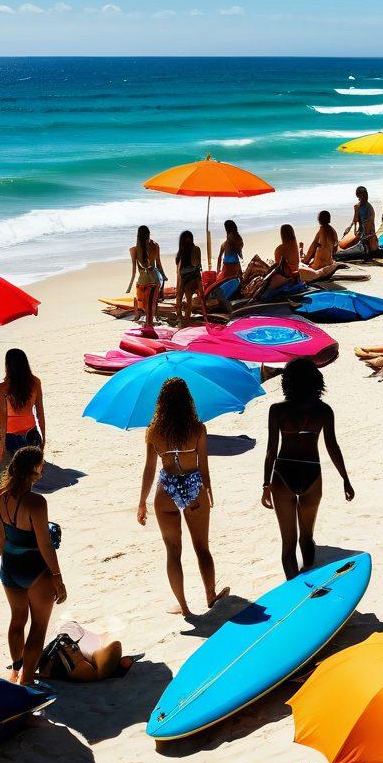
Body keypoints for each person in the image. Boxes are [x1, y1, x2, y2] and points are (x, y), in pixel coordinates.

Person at [137, 378, 228, 616]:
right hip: (192, 490)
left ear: (162, 403)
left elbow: (149, 469)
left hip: (166, 491)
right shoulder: (198, 429)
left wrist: (141, 502)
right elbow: (203, 467)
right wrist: (208, 491)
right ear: (187, 401)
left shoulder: (153, 431)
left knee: (173, 552)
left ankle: (185, 608)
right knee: (202, 548)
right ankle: (210, 595)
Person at [263, 358, 353, 579]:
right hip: (311, 473)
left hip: (283, 473)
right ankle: (310, 578)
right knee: (307, 537)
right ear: (316, 382)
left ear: (287, 382)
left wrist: (266, 484)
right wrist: (345, 478)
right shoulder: (323, 411)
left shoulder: (277, 411)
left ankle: (294, 589)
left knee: (288, 545)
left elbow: (271, 451)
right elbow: (332, 446)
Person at [0, 445, 66, 685]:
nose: (43, 467)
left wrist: (12, 555)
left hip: (10, 566)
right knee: (38, 627)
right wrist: (56, 576)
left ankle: (15, 671)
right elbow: (45, 545)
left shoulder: (0, 496)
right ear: (34, 469)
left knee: (17, 620)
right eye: (41, 464)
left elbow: (1, 540)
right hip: (34, 568)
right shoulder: (36, 502)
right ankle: (27, 683)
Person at [0, 348, 45, 460]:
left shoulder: (1, 388)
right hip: (31, 433)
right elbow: (40, 412)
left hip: (12, 436)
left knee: (18, 470)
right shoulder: (35, 382)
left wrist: (2, 443)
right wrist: (43, 437)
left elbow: (2, 418)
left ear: (7, 365)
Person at [127, 225, 163, 329]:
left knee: (144, 306)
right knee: (152, 305)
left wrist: (129, 287)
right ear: (149, 235)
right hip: (153, 281)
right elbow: (158, 265)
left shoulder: (133, 250)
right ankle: (149, 326)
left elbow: (133, 272)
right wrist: (164, 278)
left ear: (137, 236)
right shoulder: (155, 246)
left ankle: (147, 325)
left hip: (141, 282)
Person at [174, 229, 207, 327]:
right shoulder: (196, 249)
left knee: (180, 299)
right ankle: (186, 320)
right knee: (188, 300)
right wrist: (200, 286)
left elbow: (178, 270)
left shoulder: (180, 252)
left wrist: (178, 285)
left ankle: (180, 320)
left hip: (184, 277)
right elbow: (198, 265)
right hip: (193, 276)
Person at [299, 210, 338, 283]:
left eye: (318, 218)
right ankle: (302, 252)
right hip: (329, 261)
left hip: (318, 265)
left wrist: (306, 259)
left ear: (320, 219)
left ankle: (300, 250)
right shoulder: (333, 231)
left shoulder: (322, 229)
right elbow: (335, 248)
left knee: (303, 261)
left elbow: (313, 246)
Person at [340, 186, 378, 253]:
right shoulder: (357, 206)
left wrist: (362, 235)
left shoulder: (369, 208)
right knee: (345, 247)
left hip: (369, 233)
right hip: (361, 232)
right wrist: (350, 228)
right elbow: (355, 220)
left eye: (365, 195)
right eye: (361, 196)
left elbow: (369, 224)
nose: (365, 197)